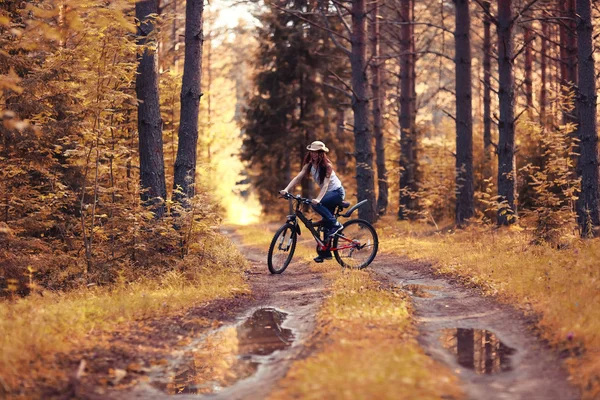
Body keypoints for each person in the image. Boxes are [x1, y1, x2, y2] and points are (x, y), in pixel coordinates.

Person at [280, 140, 345, 262]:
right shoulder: (309, 165)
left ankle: (336, 225)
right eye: (312, 152)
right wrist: (286, 189)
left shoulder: (327, 166)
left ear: (321, 153)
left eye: (317, 152)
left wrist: (318, 199)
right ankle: (325, 253)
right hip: (328, 194)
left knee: (315, 206)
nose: (314, 154)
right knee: (325, 224)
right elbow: (297, 177)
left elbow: (325, 186)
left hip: (336, 193)